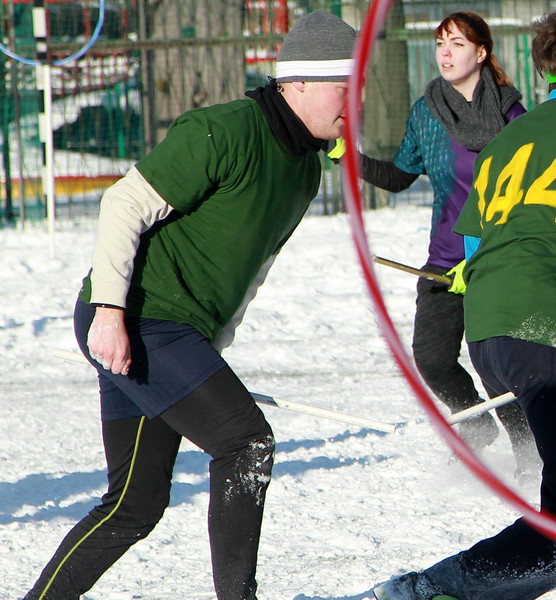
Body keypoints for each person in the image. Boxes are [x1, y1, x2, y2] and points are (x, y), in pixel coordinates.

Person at [22, 12, 356, 600]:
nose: (352, 102)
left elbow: (254, 265)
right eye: (342, 86)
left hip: (178, 334)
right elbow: (122, 205)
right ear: (297, 82)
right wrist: (108, 313)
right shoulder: (221, 130)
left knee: (134, 507)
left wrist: (213, 348)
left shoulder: (306, 170)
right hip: (136, 317)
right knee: (246, 442)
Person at [372, 1, 556, 599]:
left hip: (491, 330)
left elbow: (477, 243)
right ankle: (433, 590)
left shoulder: (509, 141)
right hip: (542, 330)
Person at [346, 11, 535, 474]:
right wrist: (347, 157)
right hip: (444, 263)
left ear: (481, 52)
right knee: (431, 358)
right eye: (440, 44)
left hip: (498, 261)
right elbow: (398, 176)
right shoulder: (427, 112)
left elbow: (527, 194)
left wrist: (489, 254)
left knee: (495, 368)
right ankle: (475, 425)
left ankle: (530, 458)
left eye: (456, 44)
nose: (446, 54)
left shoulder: (512, 114)